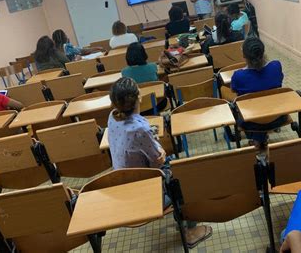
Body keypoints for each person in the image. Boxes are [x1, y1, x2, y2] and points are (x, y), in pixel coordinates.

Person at [107, 77, 213, 249]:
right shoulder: (140, 129)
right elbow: (159, 159)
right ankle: (190, 232)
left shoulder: (112, 117)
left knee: (177, 168)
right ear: (138, 97)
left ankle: (183, 212)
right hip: (146, 191)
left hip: (124, 182)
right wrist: (160, 150)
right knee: (188, 178)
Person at [231, 37, 285, 147]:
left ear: (244, 56)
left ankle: (257, 139)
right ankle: (261, 139)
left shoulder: (238, 76)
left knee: (239, 104)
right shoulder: (276, 66)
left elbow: (233, 90)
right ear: (263, 52)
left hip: (250, 122)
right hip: (277, 118)